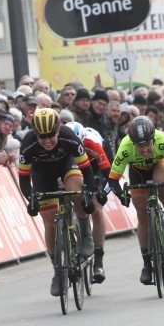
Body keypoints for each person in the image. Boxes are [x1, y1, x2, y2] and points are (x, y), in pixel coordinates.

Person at [18, 108, 97, 297]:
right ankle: (57, 270)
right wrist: (31, 200)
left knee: (75, 190)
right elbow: (23, 179)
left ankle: (85, 232)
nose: (46, 141)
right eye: (41, 136)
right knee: (49, 223)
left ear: (58, 129)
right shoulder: (28, 144)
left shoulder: (69, 137)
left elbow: (87, 170)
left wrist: (87, 195)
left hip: (66, 165)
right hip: (42, 173)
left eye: (51, 135)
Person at [108, 116, 164, 285]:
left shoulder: (161, 139)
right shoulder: (125, 147)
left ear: (153, 139)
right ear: (133, 143)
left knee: (162, 182)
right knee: (142, 215)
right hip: (138, 172)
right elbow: (113, 179)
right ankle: (146, 264)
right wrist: (122, 196)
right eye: (140, 146)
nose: (144, 150)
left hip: (159, 165)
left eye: (147, 144)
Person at [65, 121, 110, 283]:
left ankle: (98, 261)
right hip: (73, 168)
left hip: (95, 168)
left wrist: (102, 192)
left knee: (96, 209)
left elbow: (108, 173)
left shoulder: (92, 142)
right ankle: (68, 235)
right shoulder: (64, 142)